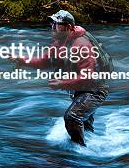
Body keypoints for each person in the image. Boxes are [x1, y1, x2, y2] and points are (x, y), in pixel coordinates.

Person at [15, 10, 112, 146]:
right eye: (53, 23)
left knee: (73, 116)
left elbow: (88, 76)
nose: (53, 27)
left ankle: (79, 152)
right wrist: (23, 60)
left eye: (57, 24)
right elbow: (45, 61)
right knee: (84, 124)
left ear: (68, 27)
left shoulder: (80, 45)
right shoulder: (59, 42)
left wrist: (62, 83)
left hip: (95, 90)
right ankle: (90, 153)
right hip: (80, 89)